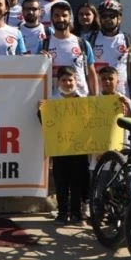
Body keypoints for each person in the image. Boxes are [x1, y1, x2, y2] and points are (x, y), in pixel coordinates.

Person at [39, 66, 89, 225]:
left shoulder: (85, 100)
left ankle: (76, 214)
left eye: (70, 80)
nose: (67, 83)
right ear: (58, 82)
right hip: (60, 148)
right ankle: (62, 213)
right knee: (61, 181)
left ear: (76, 80)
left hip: (79, 147)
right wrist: (41, 111)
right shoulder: (52, 101)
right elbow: (45, 123)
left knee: (77, 181)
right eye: (64, 80)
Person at [37, 2, 97, 97]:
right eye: (56, 15)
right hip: (54, 100)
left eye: (64, 15)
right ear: (51, 18)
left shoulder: (83, 44)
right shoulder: (44, 44)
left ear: (70, 18)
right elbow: (37, 74)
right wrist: (39, 60)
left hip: (81, 98)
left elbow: (91, 73)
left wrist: (95, 98)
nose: (60, 19)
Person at [90, 0, 131, 101]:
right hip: (98, 97)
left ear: (119, 18)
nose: (107, 19)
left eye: (112, 16)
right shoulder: (91, 39)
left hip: (123, 95)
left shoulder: (128, 39)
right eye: (104, 16)